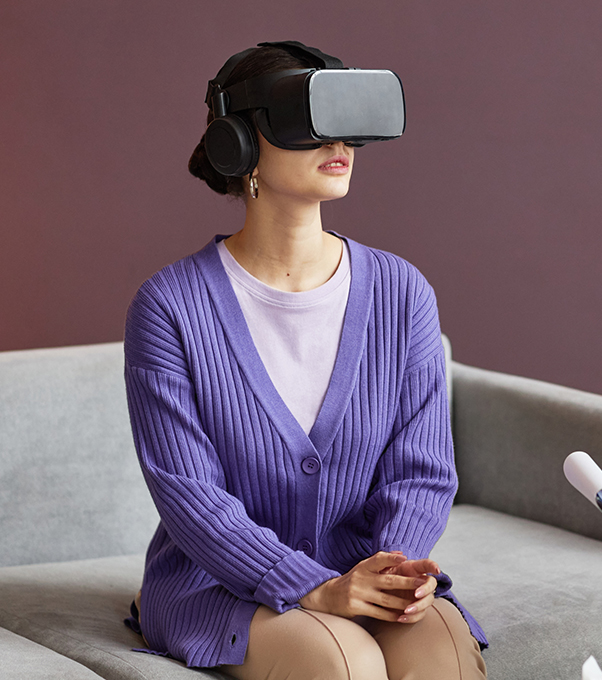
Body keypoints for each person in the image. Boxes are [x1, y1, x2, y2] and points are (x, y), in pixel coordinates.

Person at [123, 42, 487, 679]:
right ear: (238, 143)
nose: (336, 142)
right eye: (307, 119)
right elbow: (190, 495)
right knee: (344, 665)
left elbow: (422, 472)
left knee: (443, 664)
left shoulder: (403, 293)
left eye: (345, 121)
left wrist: (391, 572)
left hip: (365, 570)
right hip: (219, 582)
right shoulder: (170, 307)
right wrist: (310, 587)